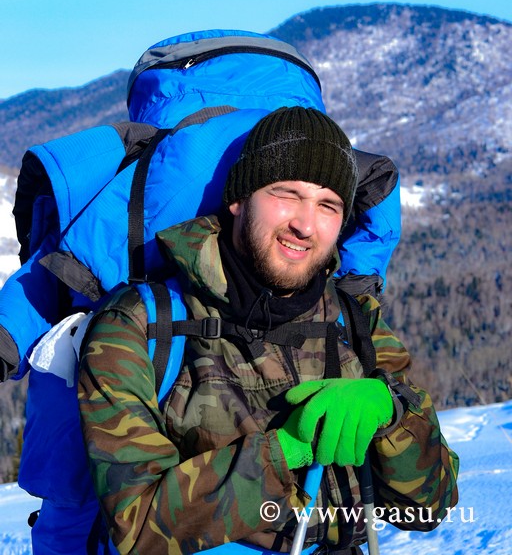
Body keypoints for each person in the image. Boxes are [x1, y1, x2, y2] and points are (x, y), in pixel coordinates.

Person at [78, 106, 458, 555]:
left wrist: (392, 416)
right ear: (238, 199)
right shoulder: (141, 325)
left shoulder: (354, 322)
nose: (305, 224)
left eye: (328, 205)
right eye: (286, 194)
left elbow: (429, 508)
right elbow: (135, 526)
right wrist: (282, 452)